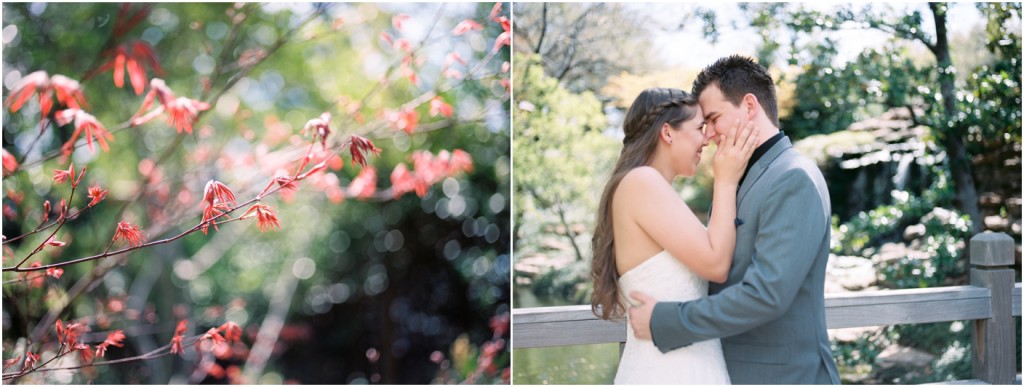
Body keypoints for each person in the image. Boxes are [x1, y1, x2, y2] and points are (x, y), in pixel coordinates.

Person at [627, 55, 841, 384]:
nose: (708, 135)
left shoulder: (793, 177)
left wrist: (665, 321)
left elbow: (766, 295)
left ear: (749, 106)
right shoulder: (736, 176)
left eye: (713, 119)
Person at [590, 87, 758, 384]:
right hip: (669, 370)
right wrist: (726, 179)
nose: (707, 139)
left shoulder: (649, 186)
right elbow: (716, 264)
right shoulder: (642, 182)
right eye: (699, 128)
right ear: (667, 133)